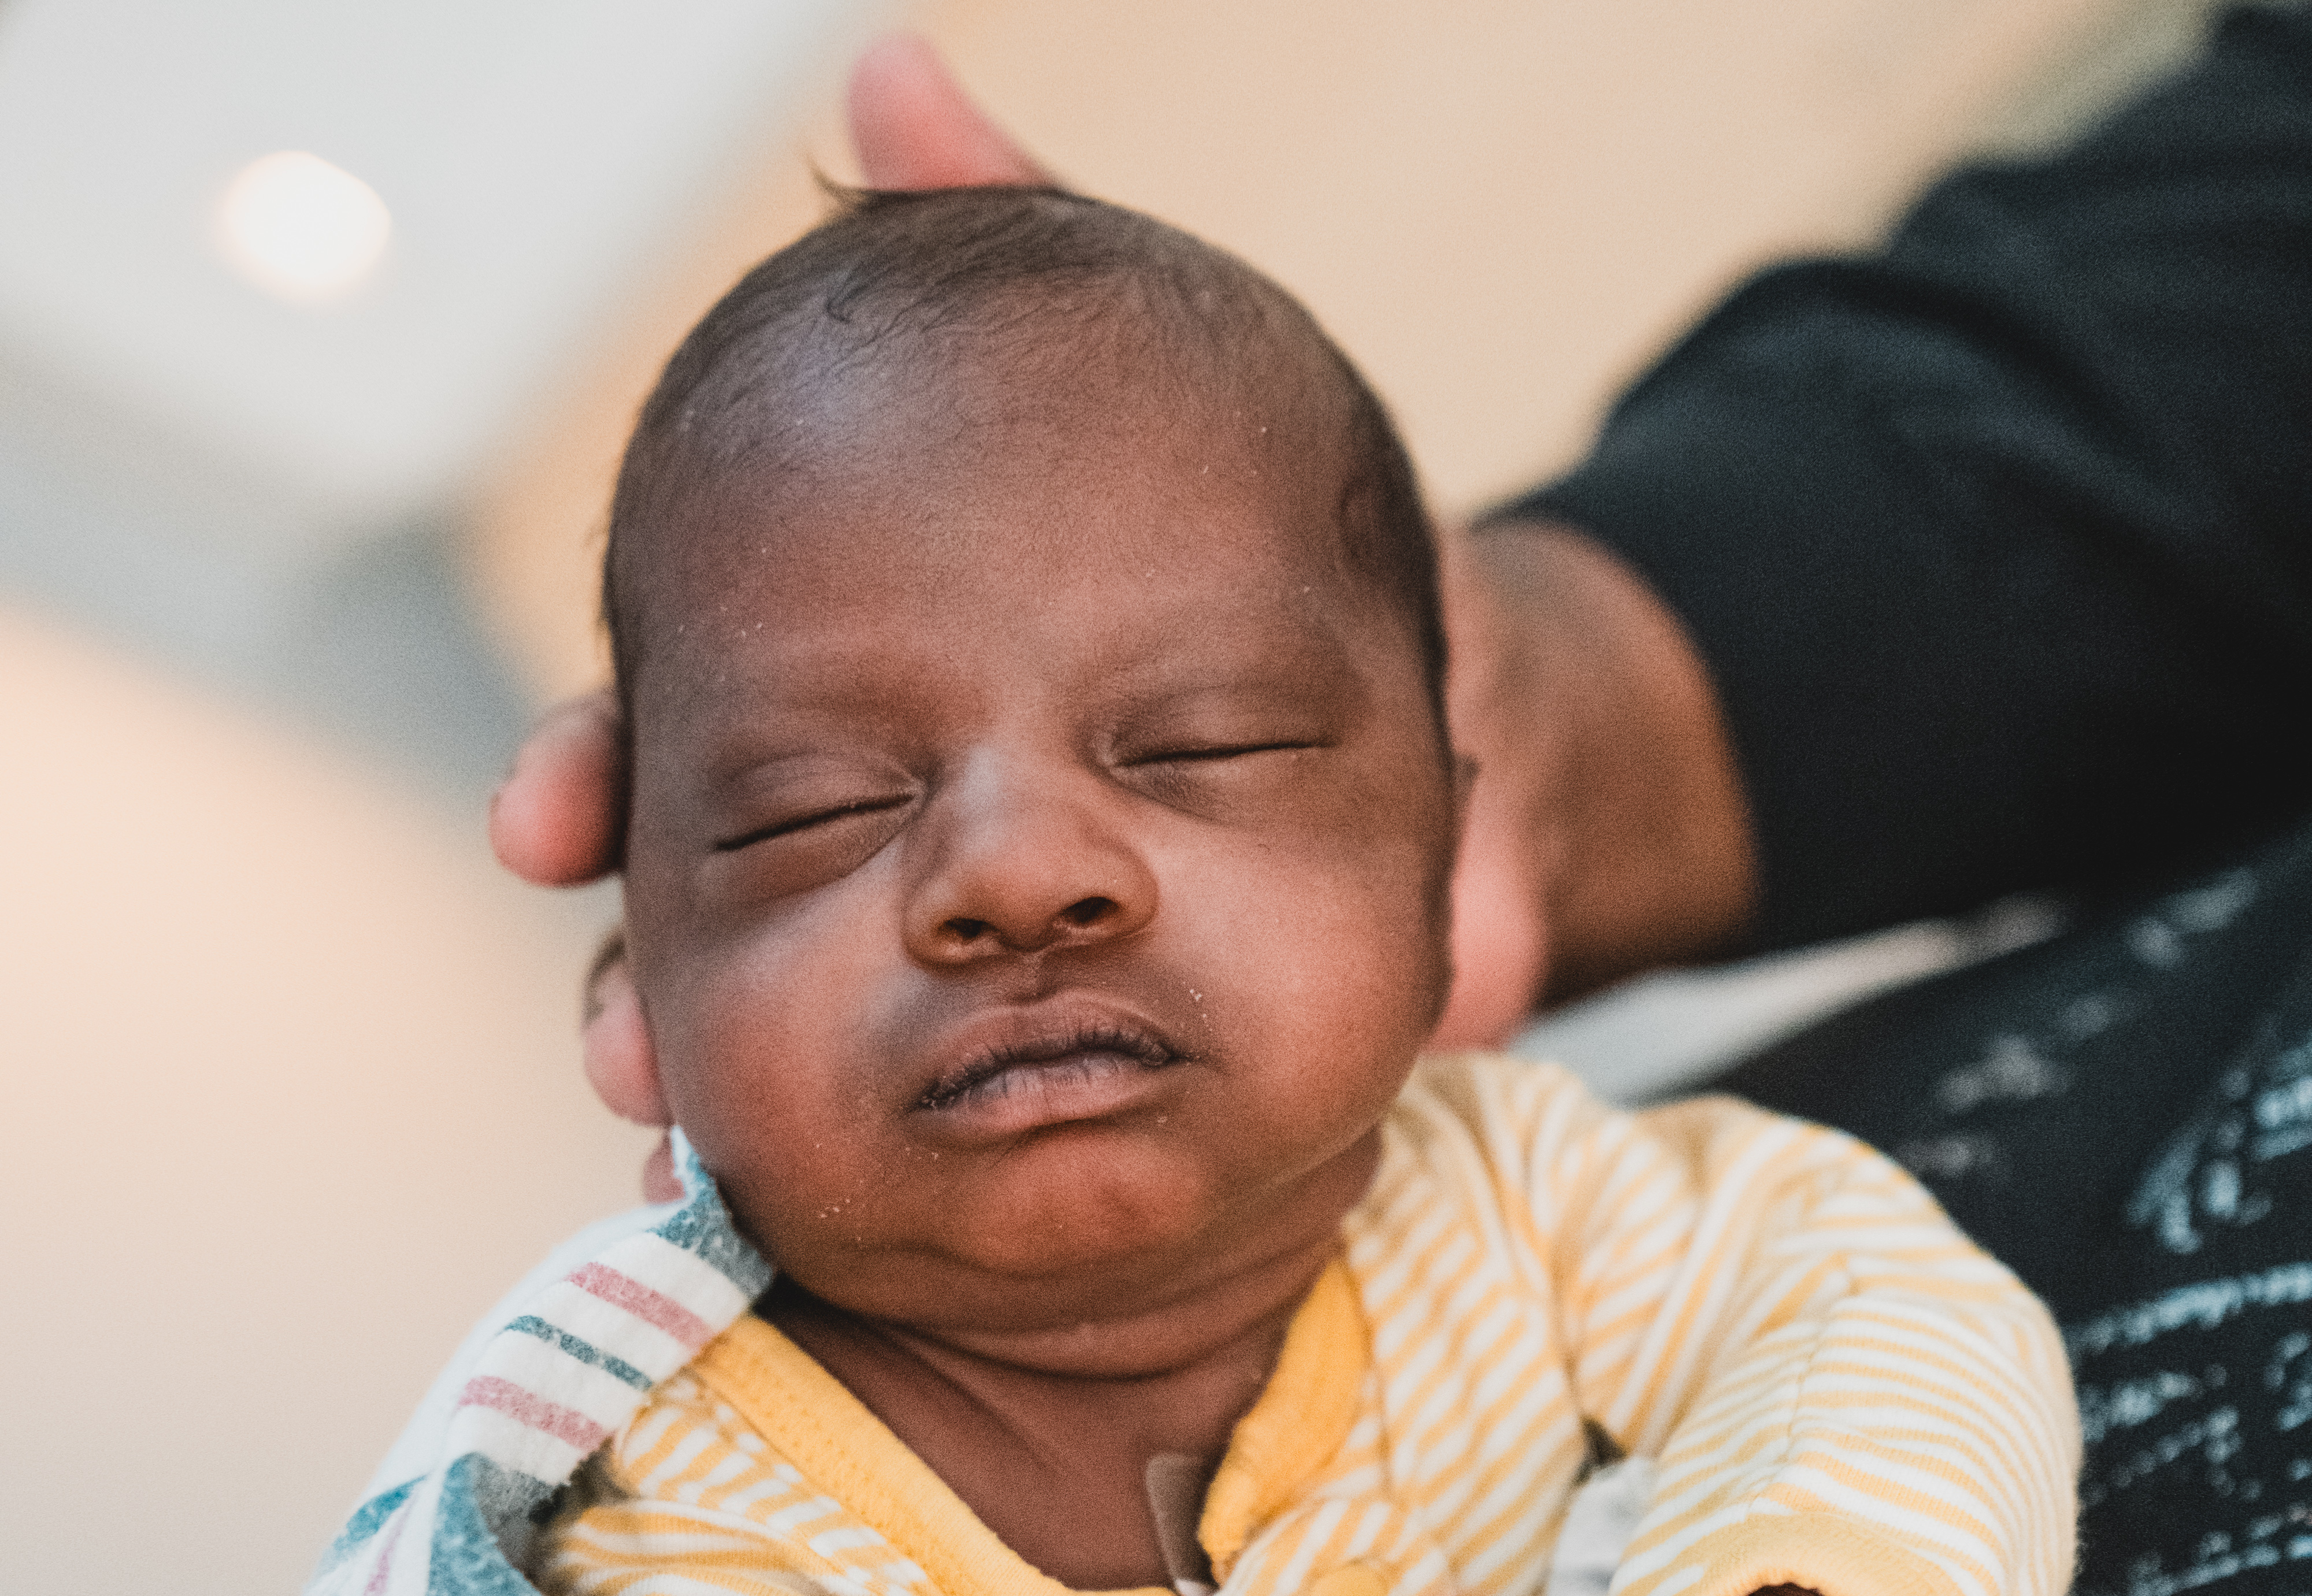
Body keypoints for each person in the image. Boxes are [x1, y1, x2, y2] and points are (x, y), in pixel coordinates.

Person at [497, 18, 2312, 1596]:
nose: (1018, 873)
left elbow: (1874, 1314)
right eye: (811, 809)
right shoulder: (667, 1508)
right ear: (640, 974)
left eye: (1202, 744)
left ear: (1444, 841)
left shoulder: (1532, 1205)